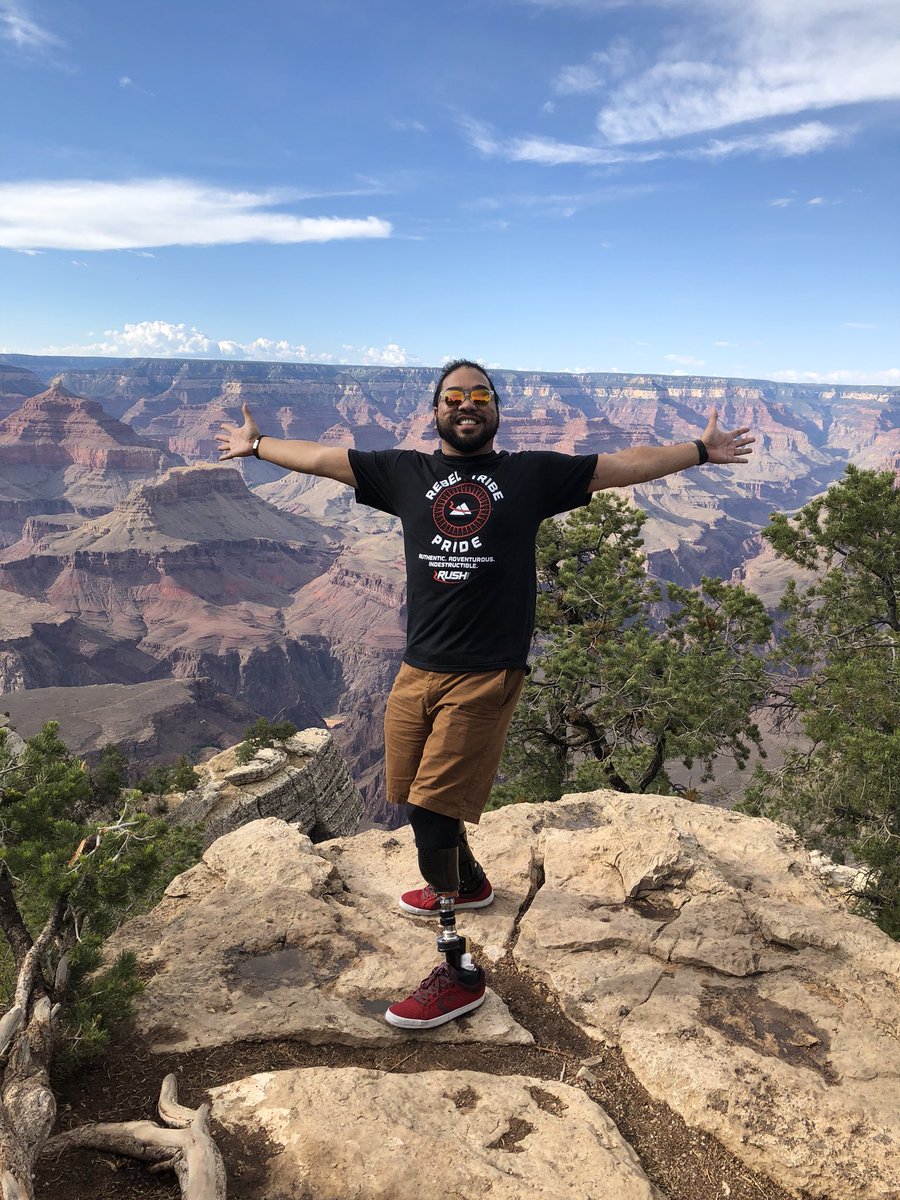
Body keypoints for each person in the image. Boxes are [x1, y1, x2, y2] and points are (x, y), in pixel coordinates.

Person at [216, 359, 754, 1030]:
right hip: (417, 670)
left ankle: (459, 971)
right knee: (407, 794)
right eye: (453, 397)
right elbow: (325, 459)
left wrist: (701, 451)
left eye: (479, 396)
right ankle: (466, 884)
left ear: (496, 410)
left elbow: (624, 464)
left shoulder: (528, 476)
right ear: (435, 410)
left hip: (485, 673)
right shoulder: (404, 474)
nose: (466, 405)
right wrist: (258, 446)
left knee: (433, 814)